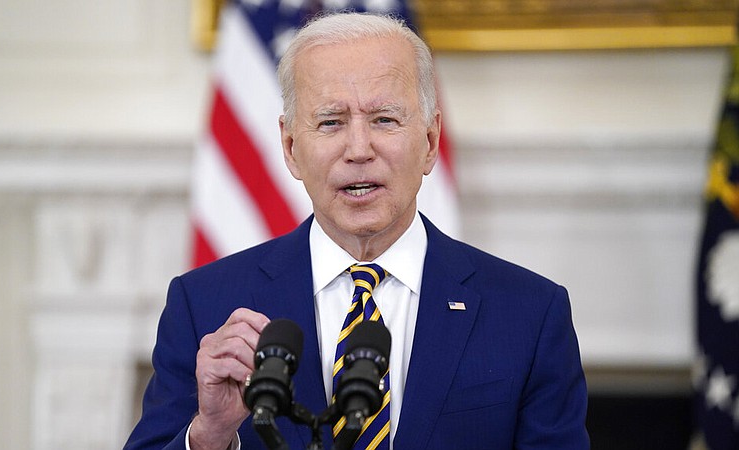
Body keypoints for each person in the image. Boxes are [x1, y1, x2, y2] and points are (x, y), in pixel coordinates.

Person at [125, 11, 589, 450]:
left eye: (385, 120)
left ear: (429, 142)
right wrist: (209, 434)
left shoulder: (529, 315)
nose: (359, 149)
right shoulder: (205, 305)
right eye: (331, 122)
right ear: (290, 149)